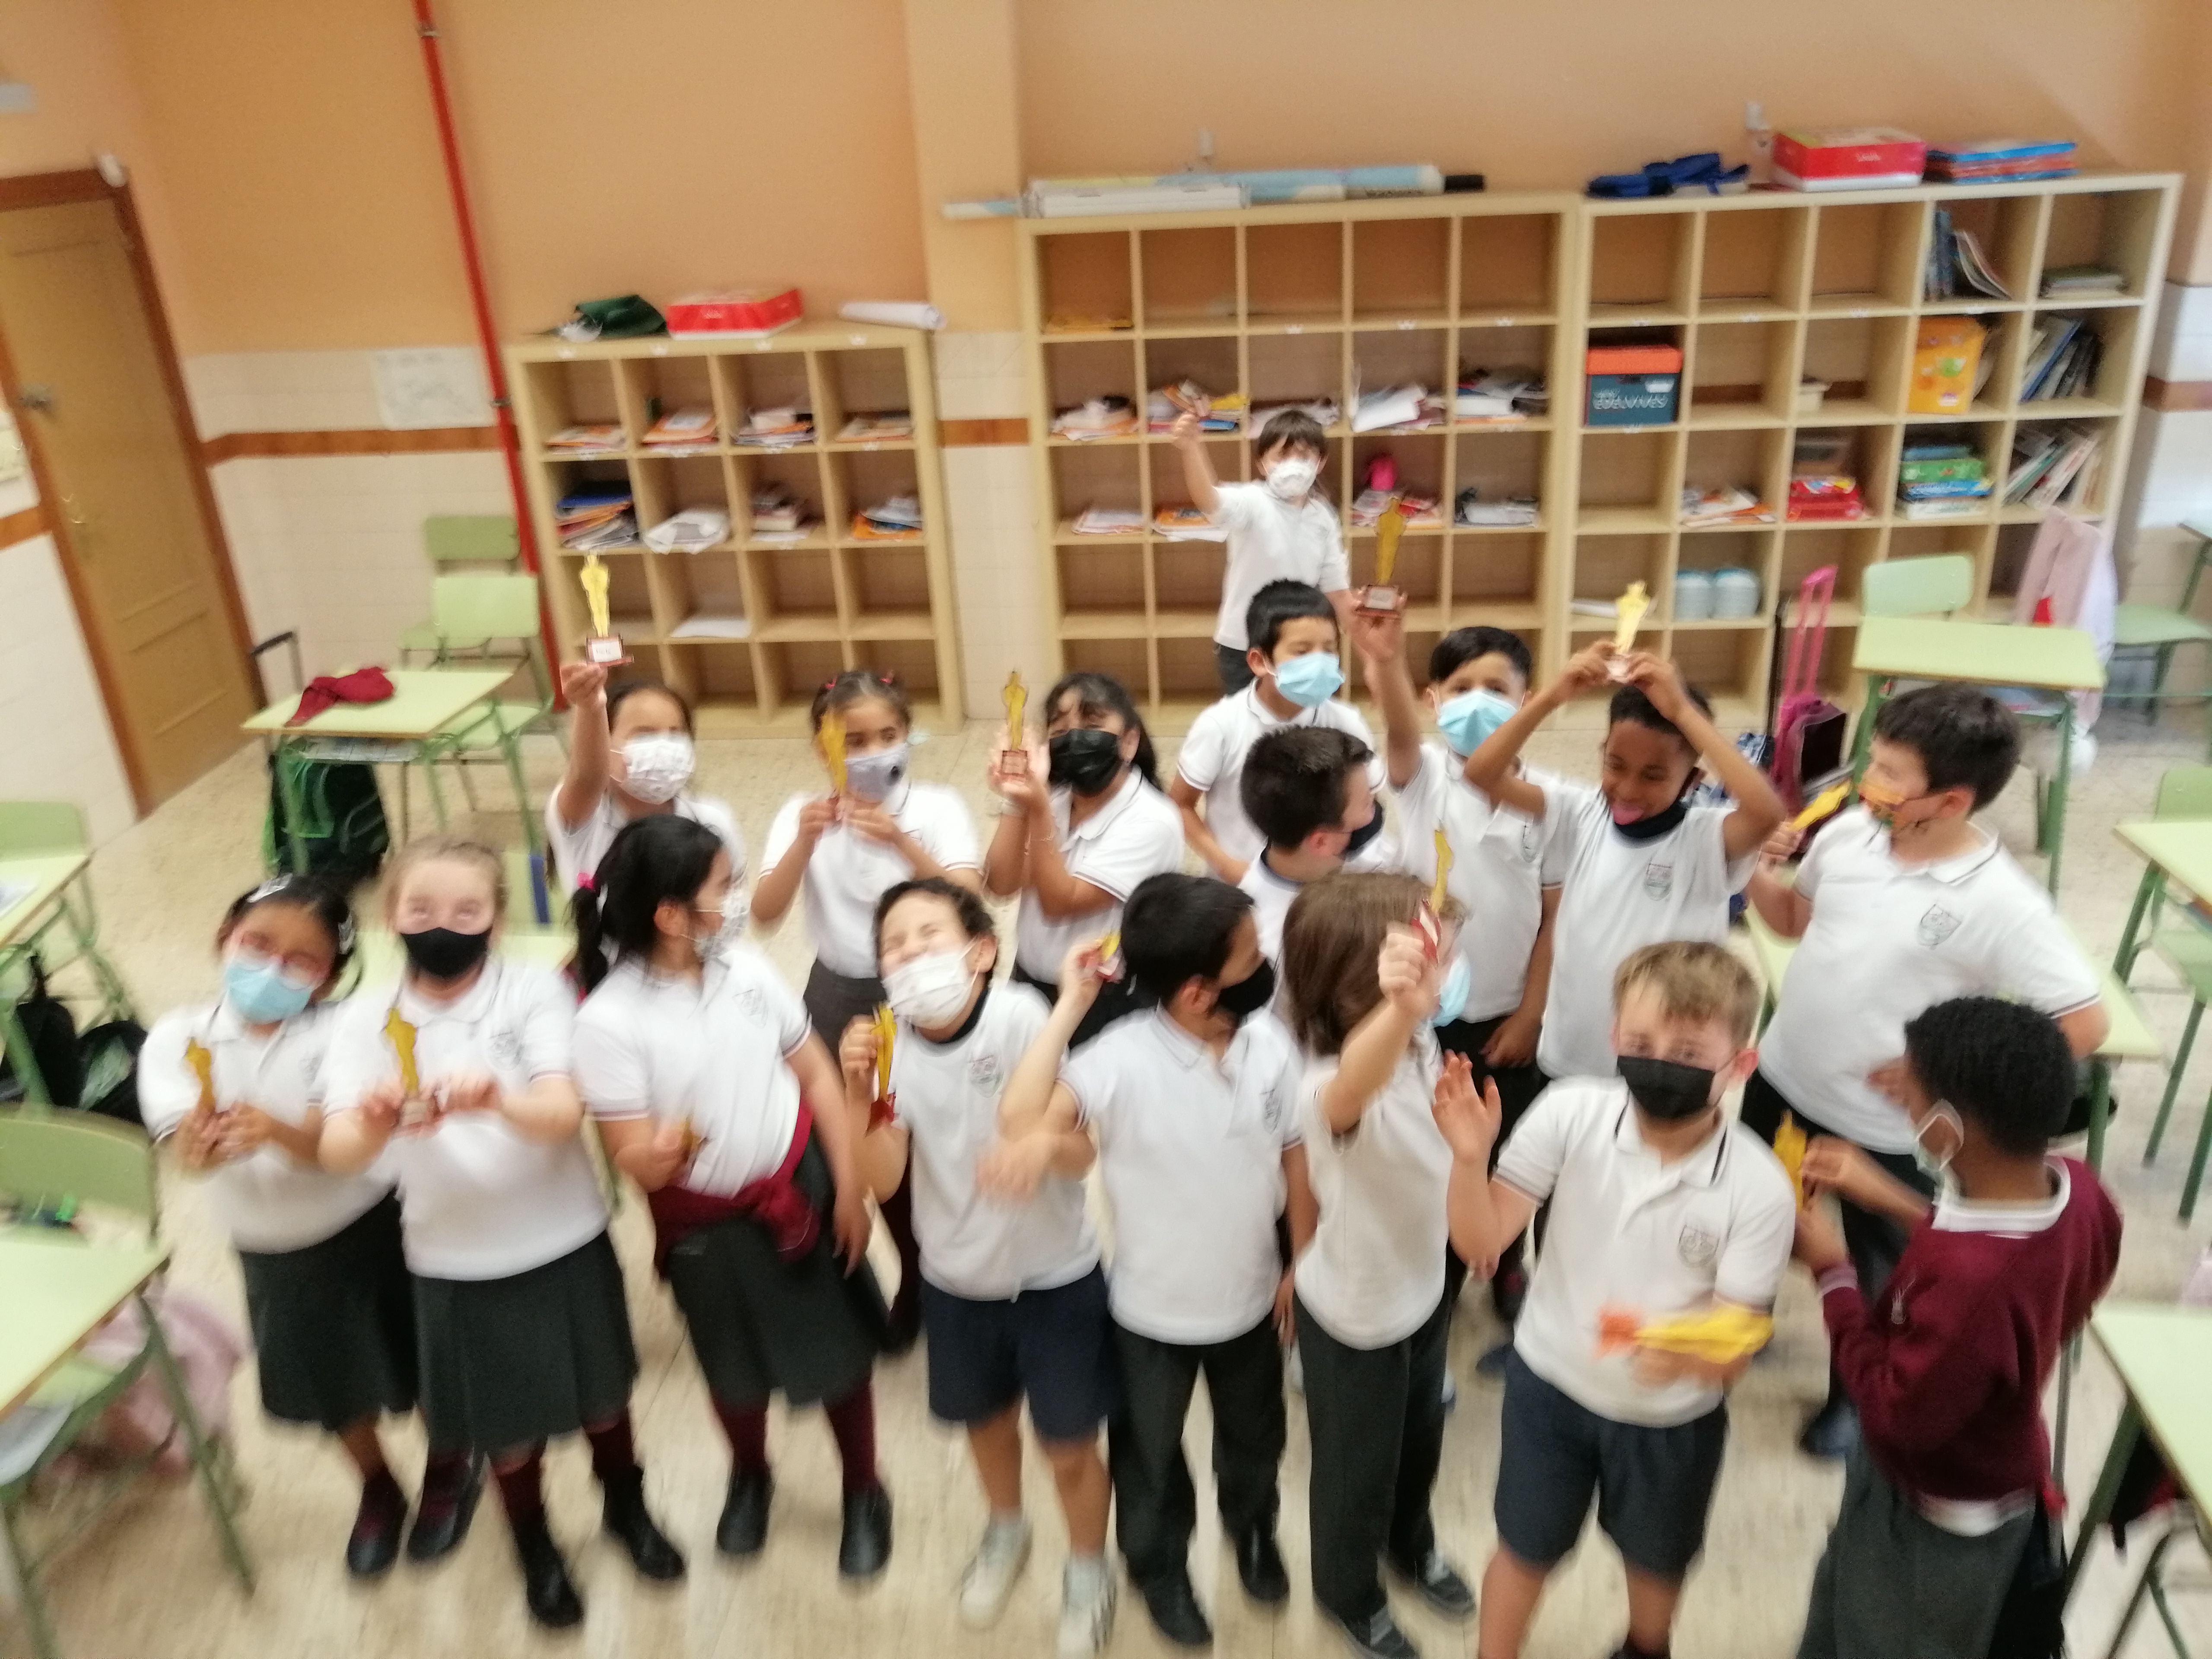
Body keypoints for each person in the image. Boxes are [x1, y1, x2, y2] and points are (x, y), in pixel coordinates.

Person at [319, 836, 681, 1629]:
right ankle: (535, 1544)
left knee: (604, 1400)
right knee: (507, 1431)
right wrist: (373, 1123)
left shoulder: (533, 991)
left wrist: (495, 1101)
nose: (441, 924)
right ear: (390, 916)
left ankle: (626, 1507)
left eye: (466, 910)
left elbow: (561, 1114)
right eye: (420, 908)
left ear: (496, 918)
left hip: (562, 1237)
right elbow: (338, 1150)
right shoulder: (363, 1019)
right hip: (453, 1258)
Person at [1743, 683, 2106, 1459]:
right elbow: (1797, 922)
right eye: (1871, 759)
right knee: (1762, 1213)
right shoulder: (1848, 836)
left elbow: (2084, 1022)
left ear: (1950, 801)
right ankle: (1747, 1320)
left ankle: (1855, 1396)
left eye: (1888, 772)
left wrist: (1949, 1079)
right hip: (1784, 1075)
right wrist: (1752, 872)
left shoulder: (2004, 903)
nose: (1864, 780)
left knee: (1881, 1266)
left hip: (1882, 1126)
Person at [1437, 941, 1796, 1659]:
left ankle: (1644, 1645)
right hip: (1548, 1387)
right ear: (1614, 1039)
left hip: (1672, 1421)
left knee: (1658, 1560)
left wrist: (1689, 1354)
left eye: (1688, 1051)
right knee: (1523, 1548)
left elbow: (1737, 1340)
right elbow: (1481, 1241)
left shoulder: (1758, 1188)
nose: (1660, 1061)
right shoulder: (1570, 1112)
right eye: (1641, 1042)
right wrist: (1470, 1160)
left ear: (1740, 1065)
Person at [990, 874, 1310, 1649]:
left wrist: (1301, 1261)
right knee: (1149, 1457)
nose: (1265, 967)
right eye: (1250, 960)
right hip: (1150, 1317)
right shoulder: (1121, 1058)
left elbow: (1295, 1156)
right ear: (1198, 992)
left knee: (1256, 1437)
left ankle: (1253, 1529)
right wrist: (1070, 1005)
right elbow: (1025, 1118)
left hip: (1252, 1304)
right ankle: (1158, 1564)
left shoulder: (1269, 1042)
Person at [570, 815, 891, 1578]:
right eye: (726, 886)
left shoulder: (745, 969)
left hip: (801, 1190)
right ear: (670, 915)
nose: (740, 898)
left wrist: (848, 1190)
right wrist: (657, 1154)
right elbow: (635, 1163)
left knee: (840, 1359)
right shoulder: (609, 1021)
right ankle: (751, 1475)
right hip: (708, 1230)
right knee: (733, 1369)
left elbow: (814, 1074)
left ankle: (863, 1486)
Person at [1792, 998, 2121, 1659]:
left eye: (1910, 1095)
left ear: (1947, 1130)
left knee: (1882, 1634)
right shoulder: (2078, 1189)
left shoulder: (1971, 1294)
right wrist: (1891, 1199)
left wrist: (1833, 1273)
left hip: (1936, 1519)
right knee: (1841, 1597)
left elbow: (1891, 1411)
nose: (1905, 1108)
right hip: (1986, 1459)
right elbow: (2009, 1269)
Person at [842, 878, 1118, 1655]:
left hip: (1055, 1278)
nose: (909, 953)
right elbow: (883, 1178)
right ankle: (1006, 1529)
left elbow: (1082, 1154)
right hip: (958, 1284)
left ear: (982, 952)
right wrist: (859, 1092)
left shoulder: (1020, 1017)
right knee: (986, 1426)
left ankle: (1089, 1567)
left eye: (927, 934)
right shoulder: (888, 1044)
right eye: (893, 945)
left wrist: (1039, 1150)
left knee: (1069, 1446)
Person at [140, 875, 430, 1578]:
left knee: (419, 1358)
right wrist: (198, 1149)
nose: (272, 969)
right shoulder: (178, 1037)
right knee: (333, 1386)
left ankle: (451, 1464)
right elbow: (182, 1147)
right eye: (257, 944)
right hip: (272, 1251)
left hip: (372, 1229)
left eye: (302, 961)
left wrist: (274, 1130)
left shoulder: (345, 1029)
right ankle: (378, 1486)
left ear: (328, 978)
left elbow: (336, 1144)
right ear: (224, 938)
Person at [1281, 871, 1483, 1659]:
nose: (1452, 974)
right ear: (1369, 987)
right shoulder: (1327, 1086)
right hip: (1355, 1317)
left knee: (1420, 1440)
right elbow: (1350, 1092)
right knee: (1355, 1473)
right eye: (1439, 961)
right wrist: (1402, 1009)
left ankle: (1410, 1543)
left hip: (1423, 1291)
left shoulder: (1422, 1041)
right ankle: (1349, 1592)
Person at [752, 666, 982, 1348]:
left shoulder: (936, 806)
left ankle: (949, 1270)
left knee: (938, 1134)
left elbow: (970, 899)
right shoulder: (802, 814)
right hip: (841, 995)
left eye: (889, 735)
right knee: (866, 1140)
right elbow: (765, 913)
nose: (874, 751)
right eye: (854, 741)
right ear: (822, 745)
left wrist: (902, 842)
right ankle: (910, 1271)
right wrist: (804, 840)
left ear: (908, 736)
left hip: (927, 991)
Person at [1355, 611, 1558, 1325]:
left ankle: (1506, 1259)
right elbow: (1399, 734)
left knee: (1510, 1144)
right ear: (1433, 698)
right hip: (1429, 1017)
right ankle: (1438, 1263)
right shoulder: (1424, 779)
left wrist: (1531, 1013)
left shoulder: (1551, 802)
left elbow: (1554, 921)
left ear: (1527, 700)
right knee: (1435, 1147)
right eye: (1461, 687)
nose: (1478, 702)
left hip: (1512, 1019)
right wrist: (1385, 662)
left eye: (1497, 689)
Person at [1464, 643, 1785, 1082]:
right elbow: (1481, 773)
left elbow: (1766, 813)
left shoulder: (1707, 839)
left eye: (1653, 776)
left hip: (1655, 1067)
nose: (1628, 789)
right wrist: (1553, 696)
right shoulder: (1582, 811)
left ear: (1692, 780)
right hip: (1568, 1054)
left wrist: (1683, 712)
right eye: (1615, 765)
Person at [984, 669, 1183, 1047]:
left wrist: (1037, 809)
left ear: (1129, 742)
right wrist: (1017, 797)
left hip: (1102, 998)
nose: (1075, 739)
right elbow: (1000, 882)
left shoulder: (1153, 821)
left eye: (1092, 725)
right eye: (1060, 730)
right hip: (1029, 982)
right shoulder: (1057, 799)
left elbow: (1061, 902)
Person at [1171, 579, 1386, 881]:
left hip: (1323, 887)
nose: (1319, 662)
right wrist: (1225, 864)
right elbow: (1180, 804)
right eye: (1302, 651)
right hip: (1242, 885)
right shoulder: (1220, 726)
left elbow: (1367, 805)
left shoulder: (1347, 722)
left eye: (1329, 650)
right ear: (1260, 661)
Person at [1172, 407, 1352, 693]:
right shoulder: (1252, 502)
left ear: (1320, 463)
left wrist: (1367, 638)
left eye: (1304, 457)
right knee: (1250, 718)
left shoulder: (1324, 518)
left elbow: (1337, 590)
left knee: (1300, 716)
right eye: (1282, 455)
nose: (1293, 464)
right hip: (1243, 645)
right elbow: (1210, 500)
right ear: (1262, 463)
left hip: (1300, 647)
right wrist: (1192, 448)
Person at [546, 662, 744, 895]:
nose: (664, 747)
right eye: (645, 735)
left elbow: (733, 903)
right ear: (604, 744)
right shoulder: (587, 825)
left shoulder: (713, 820)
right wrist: (591, 708)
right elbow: (587, 777)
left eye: (676, 734)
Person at [1237, 725, 1382, 961]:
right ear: (1322, 842)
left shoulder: (1371, 854)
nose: (1375, 806)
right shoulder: (1274, 944)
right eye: (1367, 803)